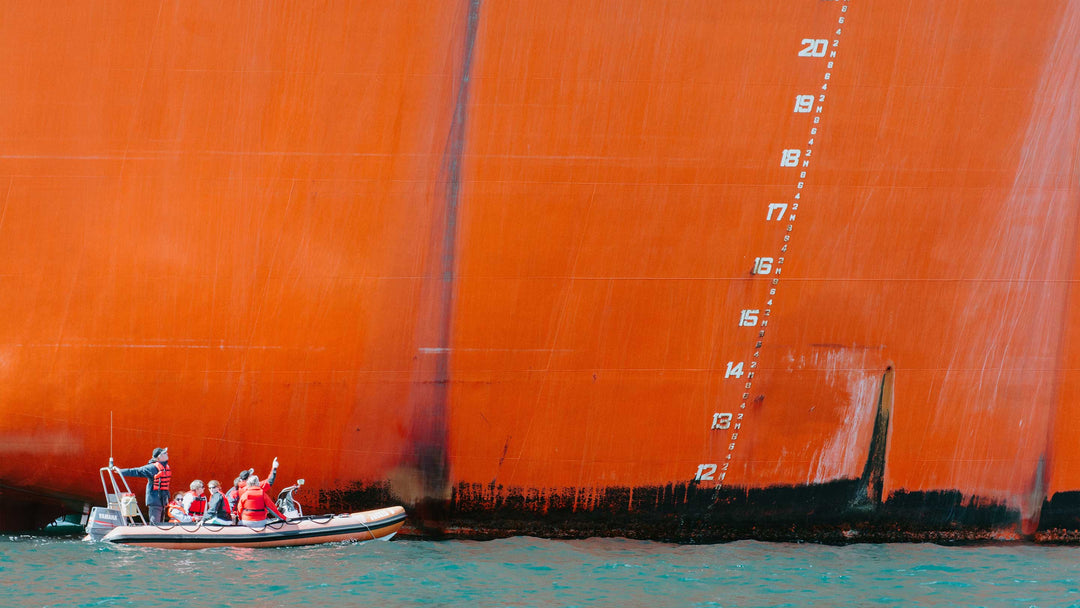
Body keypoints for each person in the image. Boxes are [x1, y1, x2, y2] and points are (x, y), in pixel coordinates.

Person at [114, 447, 171, 524]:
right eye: (164, 453)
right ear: (159, 457)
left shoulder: (165, 467)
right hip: (155, 499)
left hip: (162, 500)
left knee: (161, 523)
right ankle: (153, 534)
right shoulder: (152, 468)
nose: (167, 453)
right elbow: (137, 471)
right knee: (155, 523)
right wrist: (121, 471)